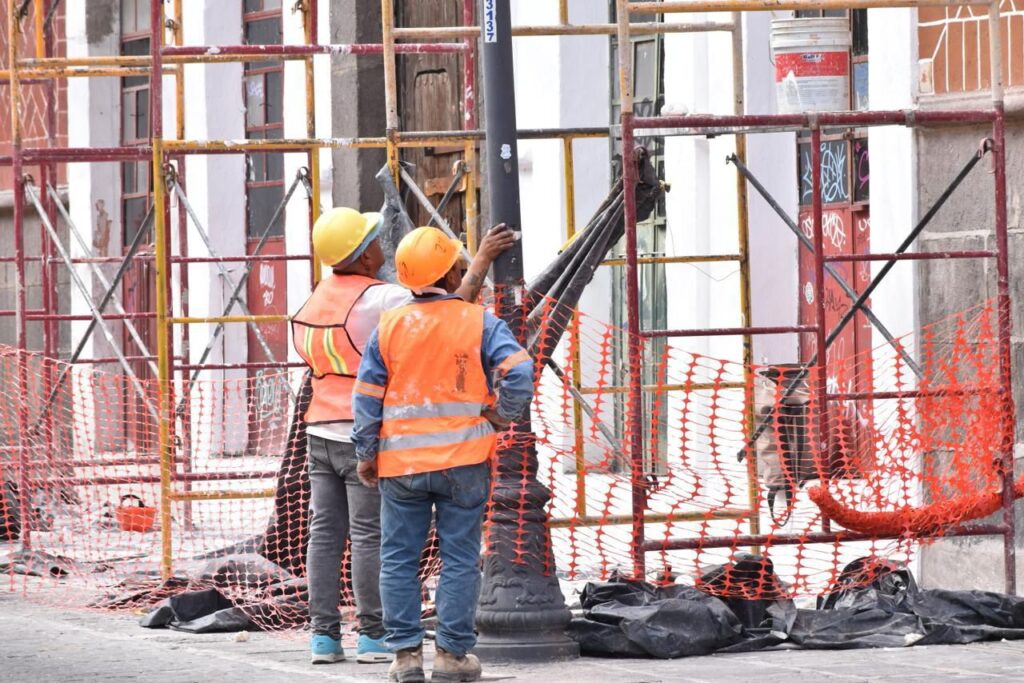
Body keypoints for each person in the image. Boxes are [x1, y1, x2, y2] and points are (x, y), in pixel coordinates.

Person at [292, 209, 514, 665]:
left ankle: (324, 637)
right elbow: (446, 307)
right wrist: (482, 261)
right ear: (364, 255)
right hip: (372, 435)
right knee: (374, 538)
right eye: (374, 241)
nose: (382, 248)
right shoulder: (384, 300)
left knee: (325, 535)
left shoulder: (314, 300)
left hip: (317, 431)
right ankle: (375, 635)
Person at [351, 226, 534, 683]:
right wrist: (498, 416)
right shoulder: (478, 321)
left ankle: (405, 658)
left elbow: (367, 396)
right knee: (459, 558)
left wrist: (366, 453)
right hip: (463, 463)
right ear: (453, 274)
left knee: (398, 558)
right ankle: (452, 657)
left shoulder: (390, 326)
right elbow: (519, 371)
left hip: (402, 469)